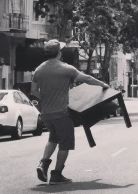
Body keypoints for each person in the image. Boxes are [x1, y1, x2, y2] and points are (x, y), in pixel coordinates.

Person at [32, 39, 109, 184]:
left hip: (46, 114)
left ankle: (43, 164)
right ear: (59, 53)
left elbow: (34, 91)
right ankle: (56, 174)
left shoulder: (39, 70)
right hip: (61, 114)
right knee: (65, 144)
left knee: (53, 138)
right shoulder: (66, 69)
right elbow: (86, 78)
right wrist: (102, 84)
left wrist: (47, 99)